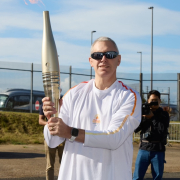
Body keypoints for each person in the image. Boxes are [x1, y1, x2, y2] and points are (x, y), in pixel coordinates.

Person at [43, 37, 142, 180]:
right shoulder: (74, 93)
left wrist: (70, 132)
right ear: (91, 61)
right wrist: (51, 119)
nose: (103, 59)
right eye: (97, 55)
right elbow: (52, 141)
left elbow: (114, 138)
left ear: (118, 60)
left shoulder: (129, 97)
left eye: (110, 55)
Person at [133, 90, 170, 180]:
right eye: (152, 100)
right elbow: (136, 129)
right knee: (137, 176)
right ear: (148, 101)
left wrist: (153, 118)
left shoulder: (164, 114)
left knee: (157, 177)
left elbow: (162, 129)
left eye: (156, 100)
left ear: (160, 101)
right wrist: (143, 118)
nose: (153, 102)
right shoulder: (143, 113)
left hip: (158, 149)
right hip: (144, 148)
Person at [39, 103, 64, 180]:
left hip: (62, 137)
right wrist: (49, 124)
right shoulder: (44, 104)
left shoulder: (63, 102)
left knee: (64, 164)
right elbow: (40, 120)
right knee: (50, 165)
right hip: (49, 137)